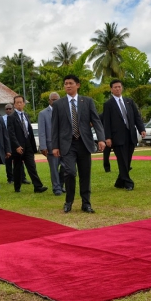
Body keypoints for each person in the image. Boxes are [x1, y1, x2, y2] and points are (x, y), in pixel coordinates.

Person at [51, 75, 105, 212]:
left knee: (85, 174)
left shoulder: (87, 102)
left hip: (84, 143)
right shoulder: (58, 104)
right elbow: (55, 127)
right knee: (69, 172)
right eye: (65, 83)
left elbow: (96, 121)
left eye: (70, 83)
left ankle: (86, 203)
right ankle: (68, 201)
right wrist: (55, 146)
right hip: (67, 145)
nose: (68, 86)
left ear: (78, 85)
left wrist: (101, 139)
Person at [103, 79, 145, 191]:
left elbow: (137, 117)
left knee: (127, 160)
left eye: (119, 86)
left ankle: (119, 181)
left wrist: (142, 129)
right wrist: (107, 137)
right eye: (115, 87)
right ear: (111, 89)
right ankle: (128, 182)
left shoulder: (129, 101)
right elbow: (106, 122)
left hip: (130, 135)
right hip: (117, 137)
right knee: (122, 160)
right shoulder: (108, 104)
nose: (117, 88)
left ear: (122, 88)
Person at [8, 95, 47, 194]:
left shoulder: (26, 115)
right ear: (14, 104)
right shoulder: (11, 117)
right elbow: (11, 133)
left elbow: (29, 130)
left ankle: (38, 186)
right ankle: (17, 187)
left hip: (28, 145)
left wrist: (32, 145)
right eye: (17, 102)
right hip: (18, 147)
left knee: (31, 166)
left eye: (21, 102)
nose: (19, 104)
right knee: (17, 167)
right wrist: (16, 146)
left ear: (24, 103)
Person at [38, 92, 64, 196]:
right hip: (50, 146)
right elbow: (41, 132)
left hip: (64, 146)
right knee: (54, 169)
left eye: (57, 99)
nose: (55, 101)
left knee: (66, 167)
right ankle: (57, 188)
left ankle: (61, 185)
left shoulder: (63, 112)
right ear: (49, 101)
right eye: (53, 99)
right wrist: (43, 146)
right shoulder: (43, 113)